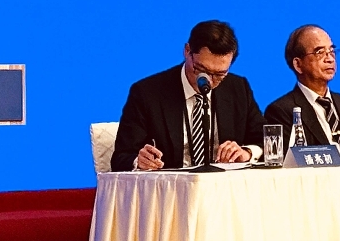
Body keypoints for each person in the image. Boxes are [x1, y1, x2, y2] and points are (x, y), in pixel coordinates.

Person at [110, 20, 264, 171]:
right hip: (171, 185)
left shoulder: (238, 89)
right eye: (202, 70)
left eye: (219, 74)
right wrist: (140, 161)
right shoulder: (147, 93)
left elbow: (266, 140)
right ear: (187, 51)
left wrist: (247, 153)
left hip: (224, 185)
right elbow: (122, 157)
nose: (209, 81)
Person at [264, 25, 340, 158]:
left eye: (331, 51)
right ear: (298, 64)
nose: (330, 59)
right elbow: (286, 164)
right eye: (320, 52)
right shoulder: (281, 111)